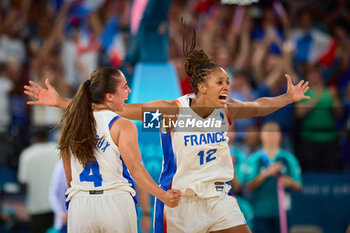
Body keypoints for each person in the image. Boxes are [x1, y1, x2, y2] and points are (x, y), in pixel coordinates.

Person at [24, 28, 310, 233]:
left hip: (219, 198)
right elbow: (114, 109)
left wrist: (287, 98)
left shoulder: (225, 110)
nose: (227, 87)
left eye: (228, 81)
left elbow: (259, 105)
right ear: (200, 87)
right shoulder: (171, 113)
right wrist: (61, 101)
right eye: (220, 82)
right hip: (180, 203)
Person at [38, 67, 182, 232]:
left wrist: (61, 102)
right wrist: (162, 195)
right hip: (115, 201)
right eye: (125, 86)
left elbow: (68, 174)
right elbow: (135, 169)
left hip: (80, 204)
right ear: (109, 96)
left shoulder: (72, 125)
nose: (129, 91)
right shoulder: (123, 124)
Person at [246, 122, 302, 233]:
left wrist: (290, 182)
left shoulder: (288, 158)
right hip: (260, 212)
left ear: (280, 135)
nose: (271, 136)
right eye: (268, 133)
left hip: (282, 212)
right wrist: (266, 174)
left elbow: (298, 186)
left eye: (274, 133)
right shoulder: (254, 158)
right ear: (261, 136)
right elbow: (248, 185)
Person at [17, 127, 59, 233]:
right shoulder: (58, 150)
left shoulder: (27, 154)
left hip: (36, 206)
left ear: (34, 138)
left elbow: (24, 182)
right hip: (57, 205)